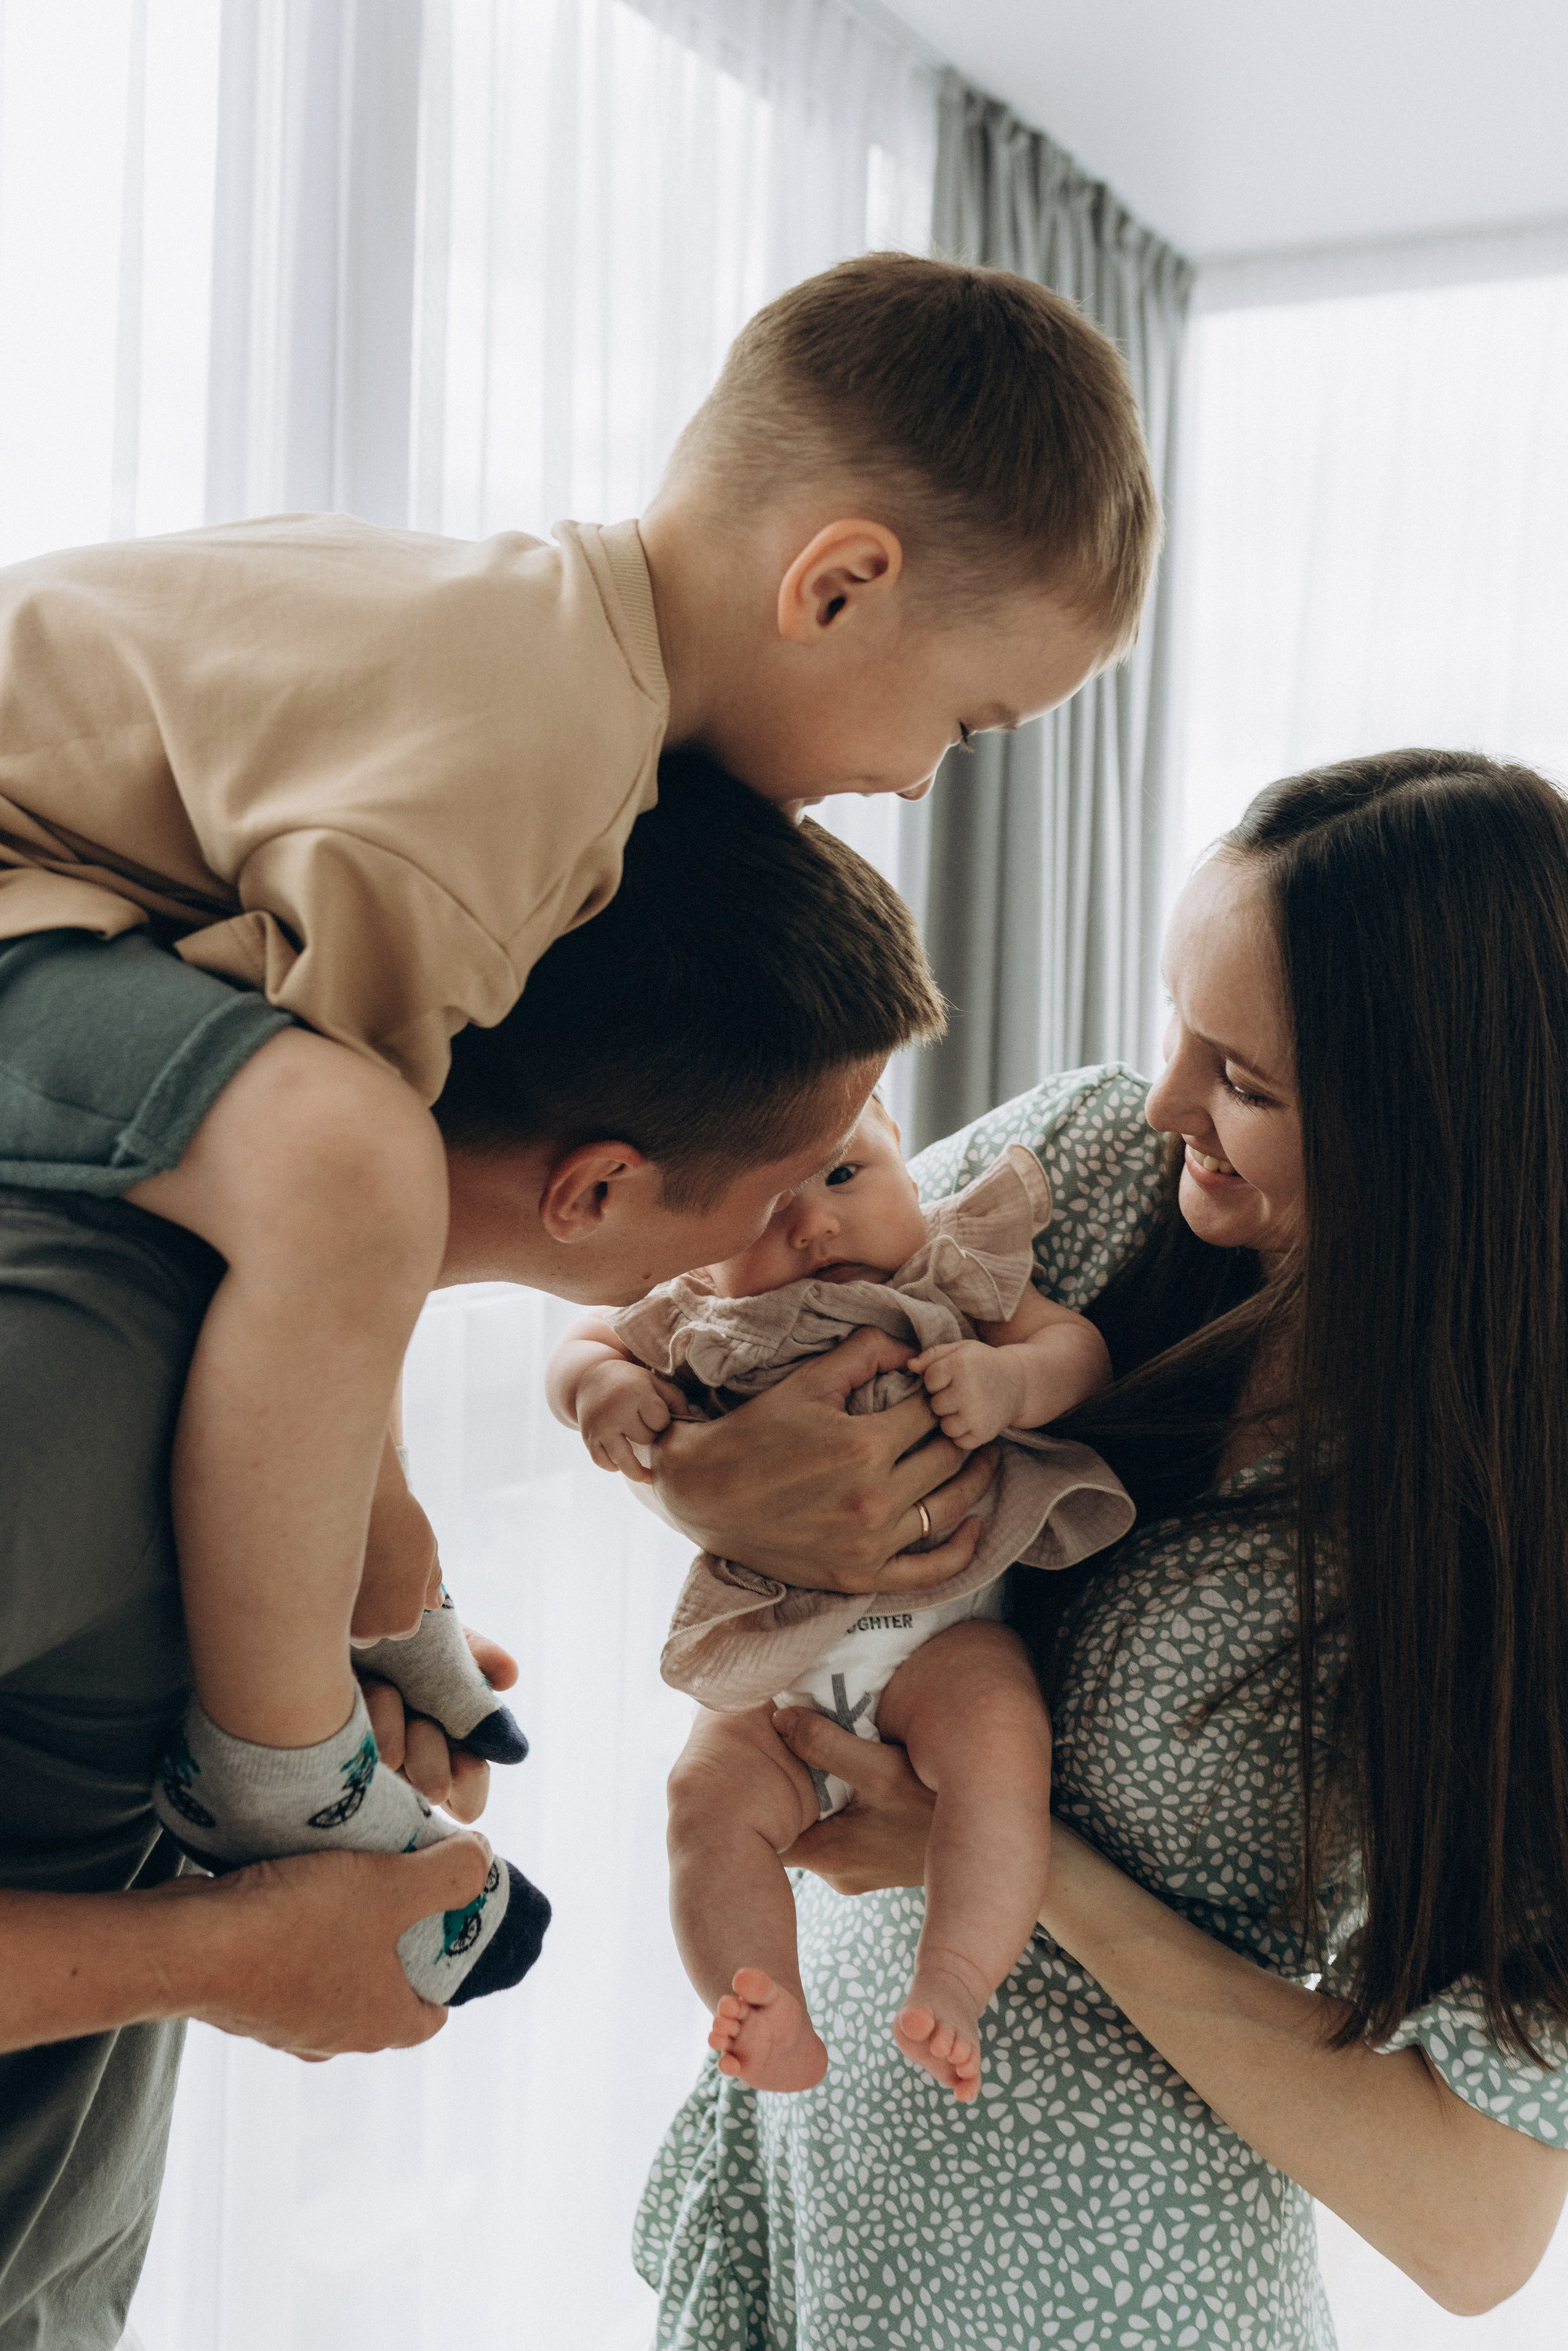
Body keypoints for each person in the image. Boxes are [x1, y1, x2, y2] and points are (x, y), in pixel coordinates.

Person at [0, 255, 1155, 1998]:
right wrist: (367, 1565)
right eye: (964, 721)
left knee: (338, 1162)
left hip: (53, 907)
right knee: (348, 1161)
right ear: (839, 583)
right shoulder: (513, 760)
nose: (925, 780)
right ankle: (277, 1752)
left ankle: (323, 1663)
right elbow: (350, 1184)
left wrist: (389, 1567)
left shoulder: (545, 644)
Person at [0, 760, 948, 2347]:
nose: (820, 1245)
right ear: (596, 1194)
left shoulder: (295, 1343)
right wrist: (229, 1957)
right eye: (791, 1189)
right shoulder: (78, 1362)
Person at [634, 750, 1568, 2347]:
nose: (1164, 1101)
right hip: (817, 2217)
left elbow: (1477, 2222)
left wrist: (999, 1865)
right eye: (1178, 1023)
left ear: (1435, 1126)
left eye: (1249, 1082)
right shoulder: (1103, 1175)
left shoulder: (1500, 1530)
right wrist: (703, 1474)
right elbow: (753, 1326)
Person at [549, 1098, 1126, 2100]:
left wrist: (1008, 1381)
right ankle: (768, 2005)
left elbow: (1079, 1353)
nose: (812, 1225)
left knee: (999, 1739)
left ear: (899, 1142)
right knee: (705, 1801)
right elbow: (582, 1342)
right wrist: (597, 1389)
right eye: (765, 1209)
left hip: (943, 1641)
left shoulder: (953, 1266)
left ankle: (954, 1974)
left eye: (843, 1175)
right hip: (775, 1665)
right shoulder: (698, 1309)